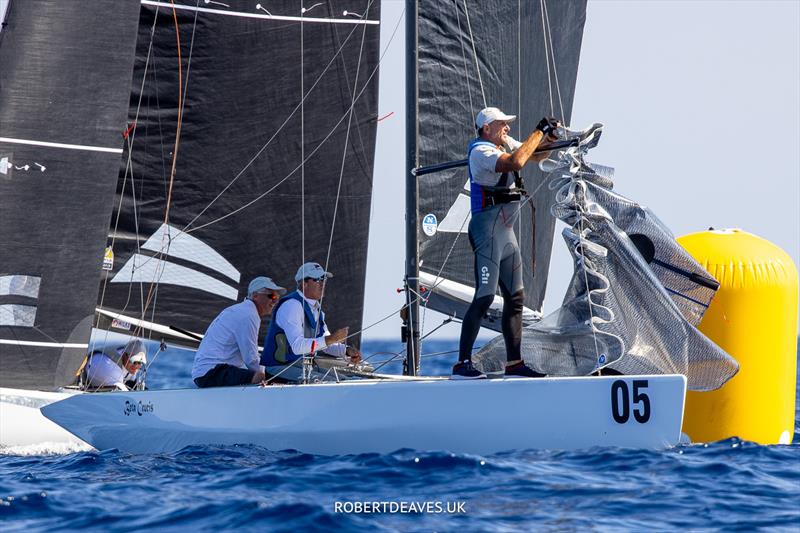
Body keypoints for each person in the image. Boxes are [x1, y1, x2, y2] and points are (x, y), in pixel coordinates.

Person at [454, 107, 558, 379]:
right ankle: (462, 364)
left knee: (515, 298)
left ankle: (514, 364)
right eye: (502, 125)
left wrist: (548, 139)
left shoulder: (505, 143)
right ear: (486, 128)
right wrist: (537, 131)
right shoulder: (481, 151)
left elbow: (536, 156)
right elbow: (515, 163)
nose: (507, 129)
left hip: (506, 232)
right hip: (487, 230)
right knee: (485, 295)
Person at [261, 262, 361, 381]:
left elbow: (325, 344)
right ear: (304, 284)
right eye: (318, 279)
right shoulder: (292, 306)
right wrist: (331, 339)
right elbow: (297, 347)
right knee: (334, 383)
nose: (323, 284)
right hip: (279, 368)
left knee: (347, 381)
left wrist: (347, 351)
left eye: (324, 279)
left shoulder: (316, 309)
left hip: (302, 366)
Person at [192, 276, 286, 388]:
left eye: (277, 297)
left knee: (262, 375)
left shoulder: (242, 310)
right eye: (272, 296)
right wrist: (272, 374)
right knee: (260, 376)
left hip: (208, 372)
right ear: (255, 295)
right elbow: (251, 360)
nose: (274, 301)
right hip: (212, 373)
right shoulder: (249, 315)